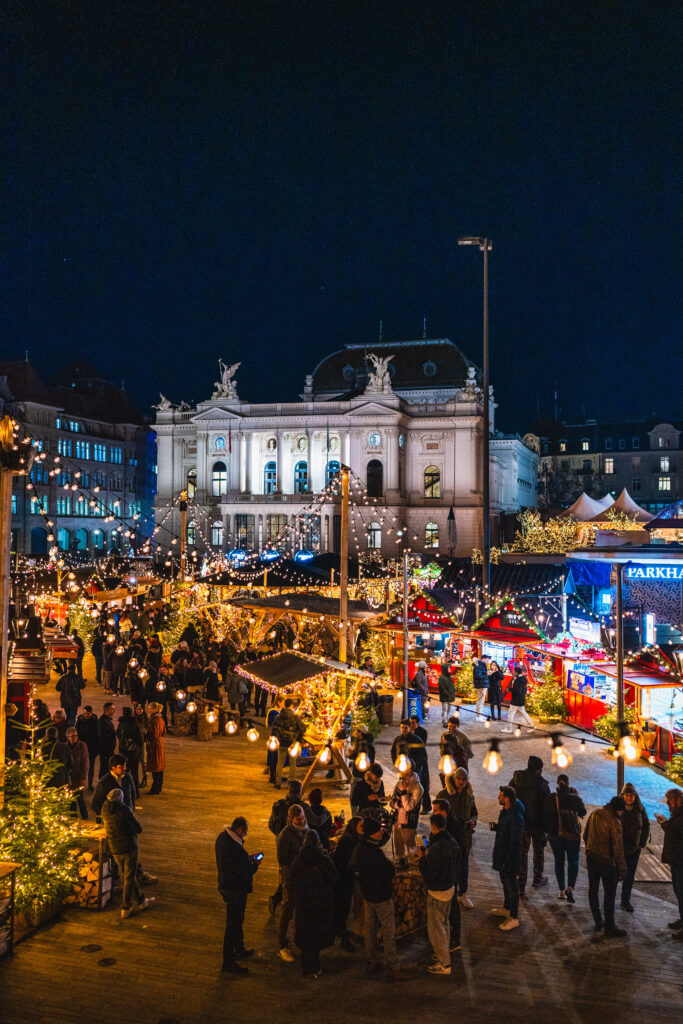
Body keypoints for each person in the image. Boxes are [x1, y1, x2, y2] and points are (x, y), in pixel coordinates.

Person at [350, 818, 410, 980]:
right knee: (388, 931)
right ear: (371, 833)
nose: (381, 833)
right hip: (382, 897)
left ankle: (372, 960)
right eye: (378, 831)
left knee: (370, 928)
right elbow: (388, 871)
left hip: (368, 895)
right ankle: (393, 966)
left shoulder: (361, 847)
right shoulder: (375, 854)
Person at [289, 829, 338, 978]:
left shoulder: (298, 859)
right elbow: (334, 878)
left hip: (303, 902)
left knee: (306, 934)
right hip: (320, 902)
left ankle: (306, 967)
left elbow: (292, 879)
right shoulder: (323, 859)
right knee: (316, 935)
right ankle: (315, 967)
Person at [216, 815, 260, 974]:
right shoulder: (236, 849)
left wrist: (246, 860)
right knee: (233, 923)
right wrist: (254, 864)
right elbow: (246, 872)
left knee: (237, 919)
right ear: (240, 829)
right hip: (235, 890)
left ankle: (239, 948)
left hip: (225, 885)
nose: (245, 835)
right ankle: (228, 961)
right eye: (245, 832)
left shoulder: (222, 837)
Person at [101, 789, 155, 919]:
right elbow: (138, 828)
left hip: (114, 847)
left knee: (128, 875)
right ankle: (126, 907)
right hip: (128, 846)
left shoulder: (105, 810)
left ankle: (142, 901)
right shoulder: (124, 811)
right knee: (129, 877)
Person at [419, 812, 461, 975]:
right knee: (444, 926)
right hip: (449, 889)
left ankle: (444, 964)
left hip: (437, 893)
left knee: (436, 930)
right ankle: (443, 954)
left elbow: (430, 873)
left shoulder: (436, 849)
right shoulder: (453, 843)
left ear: (434, 827)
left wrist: (422, 859)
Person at [583, 796, 627, 938]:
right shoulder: (614, 822)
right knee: (610, 894)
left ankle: (597, 920)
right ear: (619, 810)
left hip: (591, 857)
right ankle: (609, 926)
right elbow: (618, 848)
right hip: (607, 861)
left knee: (593, 889)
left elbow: (585, 835)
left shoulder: (595, 813)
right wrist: (622, 869)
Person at [435, 767, 477, 907]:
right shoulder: (444, 794)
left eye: (464, 780)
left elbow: (474, 812)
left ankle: (462, 894)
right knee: (450, 864)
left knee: (463, 865)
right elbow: (437, 814)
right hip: (450, 836)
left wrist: (474, 821)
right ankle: (451, 893)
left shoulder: (469, 794)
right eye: (459, 779)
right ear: (454, 779)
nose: (461, 782)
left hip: (465, 836)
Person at [509, 755, 550, 894]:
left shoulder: (516, 780)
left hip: (521, 822)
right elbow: (546, 809)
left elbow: (510, 797)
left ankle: (521, 883)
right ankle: (537, 878)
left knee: (522, 853)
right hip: (537, 825)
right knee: (539, 852)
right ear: (539, 770)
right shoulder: (543, 786)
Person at [542, 774, 586, 902]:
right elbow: (583, 812)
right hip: (572, 835)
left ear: (557, 783)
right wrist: (577, 796)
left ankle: (561, 890)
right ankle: (570, 887)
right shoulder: (574, 799)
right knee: (573, 861)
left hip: (555, 835)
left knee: (559, 861)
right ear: (568, 783)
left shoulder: (551, 798)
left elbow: (544, 813)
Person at [277, 804, 309, 962]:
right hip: (291, 877)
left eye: (303, 817)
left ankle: (300, 940)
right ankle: (282, 945)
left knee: (302, 909)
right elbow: (283, 860)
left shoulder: (307, 829)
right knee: (288, 909)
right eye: (299, 819)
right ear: (291, 819)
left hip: (304, 876)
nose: (302, 820)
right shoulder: (285, 835)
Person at [433, 798, 466, 949]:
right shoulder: (440, 825)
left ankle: (454, 937)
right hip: (442, 872)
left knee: (452, 905)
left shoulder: (454, 828)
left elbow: (460, 853)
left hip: (451, 873)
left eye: (436, 810)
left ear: (444, 812)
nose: (433, 813)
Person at [491, 785, 525, 931]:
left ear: (507, 798)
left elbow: (515, 841)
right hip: (502, 855)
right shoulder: (505, 813)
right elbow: (506, 831)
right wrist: (497, 827)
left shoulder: (516, 817)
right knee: (505, 883)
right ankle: (507, 908)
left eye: (500, 795)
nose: (498, 797)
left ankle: (514, 917)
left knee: (512, 887)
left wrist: (508, 860)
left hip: (509, 858)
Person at [654, 788, 683, 939]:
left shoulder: (680, 814)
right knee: (678, 891)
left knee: (681, 892)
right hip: (676, 860)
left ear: (677, 800)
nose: (668, 804)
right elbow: (673, 831)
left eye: (669, 800)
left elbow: (678, 832)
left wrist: (667, 824)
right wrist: (665, 823)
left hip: (680, 860)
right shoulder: (676, 814)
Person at [331, 816, 362, 952]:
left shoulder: (353, 838)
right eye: (361, 826)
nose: (363, 829)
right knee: (342, 907)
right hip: (342, 879)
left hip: (346, 878)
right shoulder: (347, 841)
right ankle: (343, 937)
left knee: (344, 906)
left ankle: (340, 930)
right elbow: (342, 862)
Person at [619, 782, 650, 912]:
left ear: (635, 797)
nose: (629, 798)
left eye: (631, 796)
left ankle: (625, 900)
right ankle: (609, 898)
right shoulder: (618, 808)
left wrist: (642, 842)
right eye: (627, 795)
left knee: (629, 876)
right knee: (615, 875)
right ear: (623, 796)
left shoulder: (640, 809)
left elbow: (646, 825)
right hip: (619, 849)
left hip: (634, 849)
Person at [390, 759, 423, 858]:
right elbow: (392, 802)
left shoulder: (418, 787)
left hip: (409, 825)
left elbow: (408, 807)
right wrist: (398, 804)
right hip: (397, 822)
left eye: (406, 770)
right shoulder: (399, 783)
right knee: (399, 851)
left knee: (411, 851)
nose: (403, 773)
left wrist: (404, 793)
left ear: (411, 771)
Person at [274, 700, 305, 788]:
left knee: (280, 762)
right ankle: (292, 782)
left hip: (282, 742)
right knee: (293, 762)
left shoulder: (278, 717)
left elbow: (273, 728)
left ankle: (278, 782)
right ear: (291, 705)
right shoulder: (295, 717)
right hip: (292, 742)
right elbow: (302, 728)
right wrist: (298, 735)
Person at [117, 707, 145, 796]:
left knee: (124, 772)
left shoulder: (121, 724)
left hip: (124, 752)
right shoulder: (135, 723)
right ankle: (135, 791)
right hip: (134, 752)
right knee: (134, 773)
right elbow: (140, 739)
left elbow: (119, 735)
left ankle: (126, 791)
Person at [502, 664, 535, 733]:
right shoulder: (523, 679)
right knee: (524, 713)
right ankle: (532, 726)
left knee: (511, 713)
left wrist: (510, 689)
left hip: (516, 700)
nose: (513, 673)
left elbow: (517, 691)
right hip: (521, 699)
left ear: (516, 673)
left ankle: (509, 729)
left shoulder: (518, 681)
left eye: (514, 672)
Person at [438, 716, 473, 781]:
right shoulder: (444, 736)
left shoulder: (463, 738)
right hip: (448, 764)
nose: (451, 728)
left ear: (458, 726)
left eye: (454, 727)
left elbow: (470, 753)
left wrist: (460, 757)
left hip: (460, 766)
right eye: (450, 726)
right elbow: (441, 748)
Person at [66, 726, 89, 819]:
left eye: (76, 735)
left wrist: (83, 778)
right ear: (67, 737)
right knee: (72, 798)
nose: (74, 738)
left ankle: (85, 816)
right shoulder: (65, 746)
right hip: (70, 777)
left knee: (80, 798)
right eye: (72, 736)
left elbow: (85, 762)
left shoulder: (82, 746)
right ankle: (73, 816)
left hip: (79, 776)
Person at [76, 705, 99, 788]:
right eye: (85, 713)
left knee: (91, 766)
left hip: (92, 748)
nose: (86, 715)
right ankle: (81, 782)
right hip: (82, 747)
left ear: (91, 713)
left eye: (88, 714)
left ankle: (90, 783)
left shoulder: (95, 721)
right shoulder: (79, 721)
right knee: (81, 765)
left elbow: (97, 736)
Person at [146, 702, 167, 794]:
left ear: (154, 709)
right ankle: (159, 787)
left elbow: (153, 734)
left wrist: (146, 734)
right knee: (159, 767)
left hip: (155, 745)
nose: (149, 710)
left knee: (156, 766)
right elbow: (163, 732)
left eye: (150, 708)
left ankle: (155, 788)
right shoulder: (161, 719)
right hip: (160, 743)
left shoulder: (154, 720)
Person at [97, 702, 117, 778]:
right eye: (112, 709)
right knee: (104, 769)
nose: (114, 711)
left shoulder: (106, 720)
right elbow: (102, 737)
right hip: (105, 751)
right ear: (106, 709)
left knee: (106, 769)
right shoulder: (103, 722)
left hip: (108, 750)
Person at [472, 653, 490, 721]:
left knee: (480, 701)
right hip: (481, 685)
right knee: (480, 701)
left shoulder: (480, 665)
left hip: (481, 685)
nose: (487, 661)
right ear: (483, 659)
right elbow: (478, 676)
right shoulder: (479, 665)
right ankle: (479, 716)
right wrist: (486, 674)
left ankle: (479, 715)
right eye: (487, 660)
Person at [437, 663, 456, 727]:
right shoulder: (442, 678)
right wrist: (447, 694)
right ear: (445, 669)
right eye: (448, 668)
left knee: (449, 708)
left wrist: (453, 693)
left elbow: (452, 686)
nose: (450, 669)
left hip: (449, 696)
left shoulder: (449, 676)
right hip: (445, 697)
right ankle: (444, 721)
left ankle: (447, 719)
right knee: (445, 709)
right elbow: (442, 688)